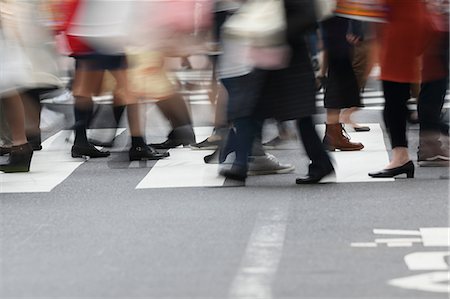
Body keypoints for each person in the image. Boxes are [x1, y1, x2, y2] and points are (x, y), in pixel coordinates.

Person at [219, 0, 334, 184]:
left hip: (289, 54)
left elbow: (307, 16)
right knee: (252, 108)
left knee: (301, 114)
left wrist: (275, 31)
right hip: (269, 52)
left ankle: (321, 163)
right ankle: (240, 163)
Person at [369, 0, 427, 178]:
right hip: (399, 29)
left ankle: (401, 157)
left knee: (394, 100)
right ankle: (401, 156)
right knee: (396, 99)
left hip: (401, 31)